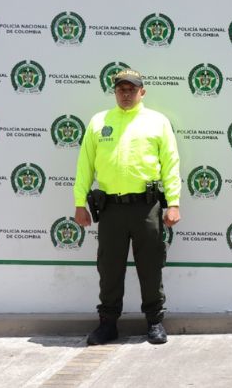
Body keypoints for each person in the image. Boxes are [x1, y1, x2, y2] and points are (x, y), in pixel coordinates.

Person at [74, 69, 182, 345]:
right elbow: (84, 165)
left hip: (146, 208)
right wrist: (79, 203)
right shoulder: (99, 122)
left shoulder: (157, 122)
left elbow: (170, 164)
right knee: (109, 268)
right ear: (114, 91)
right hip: (110, 209)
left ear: (142, 92)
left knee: (151, 266)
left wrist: (174, 203)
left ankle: (155, 322)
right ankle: (108, 324)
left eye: (131, 89)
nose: (126, 93)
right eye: (121, 89)